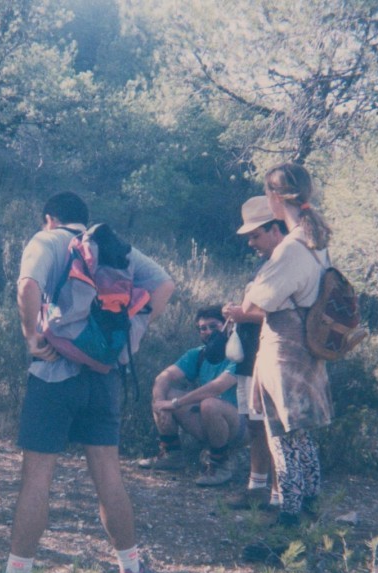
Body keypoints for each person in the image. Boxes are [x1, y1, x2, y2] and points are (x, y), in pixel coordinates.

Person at [2, 192, 175, 573]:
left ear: (50, 218)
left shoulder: (46, 241)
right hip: (104, 377)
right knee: (109, 476)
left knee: (37, 479)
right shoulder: (116, 248)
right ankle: (131, 572)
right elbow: (165, 285)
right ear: (85, 220)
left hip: (52, 377)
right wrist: (127, 335)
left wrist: (32, 338)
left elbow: (27, 286)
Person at [222, 166, 334, 527]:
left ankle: (288, 518)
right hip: (308, 349)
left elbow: (259, 301)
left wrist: (248, 299)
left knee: (281, 437)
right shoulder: (316, 244)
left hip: (284, 350)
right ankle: (310, 506)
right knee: (299, 436)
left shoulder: (291, 248)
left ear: (274, 198)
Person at [222, 196, 285, 510]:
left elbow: (286, 314)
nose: (251, 243)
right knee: (254, 424)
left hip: (271, 358)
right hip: (250, 358)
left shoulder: (287, 263)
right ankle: (256, 487)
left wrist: (243, 314)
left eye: (255, 236)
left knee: (273, 428)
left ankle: (277, 496)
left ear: (275, 229)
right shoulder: (266, 265)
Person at [139, 306, 243, 487]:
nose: (208, 332)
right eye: (203, 328)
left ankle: (221, 465)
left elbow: (216, 388)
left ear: (227, 325)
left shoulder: (240, 353)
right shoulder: (199, 354)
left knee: (210, 404)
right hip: (209, 421)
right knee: (164, 392)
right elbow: (165, 376)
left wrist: (176, 403)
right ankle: (171, 453)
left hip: (241, 424)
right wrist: (160, 403)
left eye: (213, 326)